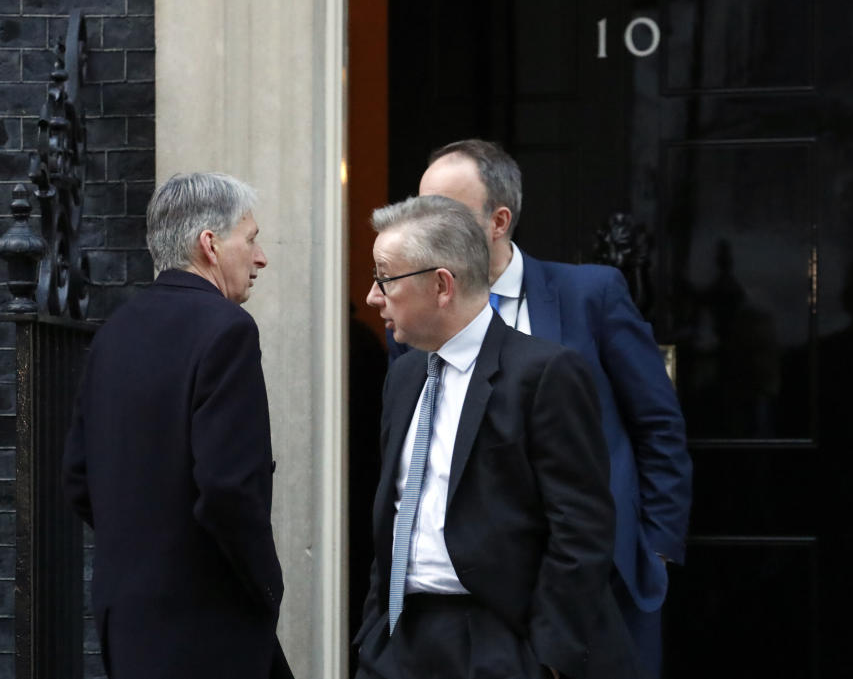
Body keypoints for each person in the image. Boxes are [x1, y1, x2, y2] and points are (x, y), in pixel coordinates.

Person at [391, 139, 692, 678]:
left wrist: (655, 546)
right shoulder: (418, 319)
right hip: (478, 609)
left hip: (602, 577)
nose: (424, 229)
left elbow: (658, 424)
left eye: (444, 213)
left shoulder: (589, 295)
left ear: (498, 221)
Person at [355, 195, 639, 679]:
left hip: (497, 642)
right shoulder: (403, 378)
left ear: (441, 285)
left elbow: (581, 530)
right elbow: (400, 509)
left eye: (385, 277)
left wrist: (547, 659)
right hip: (398, 643)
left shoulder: (546, 374)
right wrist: (373, 632)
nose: (372, 296)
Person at [62, 173, 292, 679]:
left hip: (128, 620)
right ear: (209, 244)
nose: (260, 258)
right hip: (208, 624)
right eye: (250, 239)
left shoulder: (113, 333)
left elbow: (79, 479)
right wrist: (268, 586)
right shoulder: (227, 329)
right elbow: (228, 488)